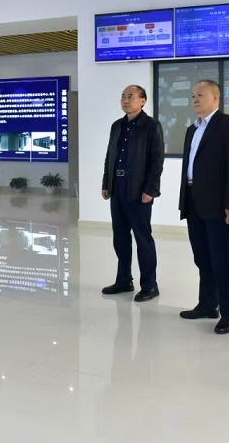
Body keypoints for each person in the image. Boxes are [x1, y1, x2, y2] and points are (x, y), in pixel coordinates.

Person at [178, 80, 229, 335]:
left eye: (201, 95)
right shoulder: (192, 129)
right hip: (193, 198)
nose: (195, 99)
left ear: (216, 98)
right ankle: (207, 305)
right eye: (193, 95)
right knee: (202, 256)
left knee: (222, 259)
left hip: (218, 203)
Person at [101, 85, 165, 302]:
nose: (126, 100)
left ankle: (150, 285)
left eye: (130, 96)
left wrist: (150, 189)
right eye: (123, 97)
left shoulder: (151, 126)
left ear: (143, 101)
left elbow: (157, 160)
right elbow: (109, 156)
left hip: (139, 191)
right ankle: (123, 280)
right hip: (117, 188)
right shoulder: (116, 126)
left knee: (142, 238)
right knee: (120, 237)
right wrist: (106, 183)